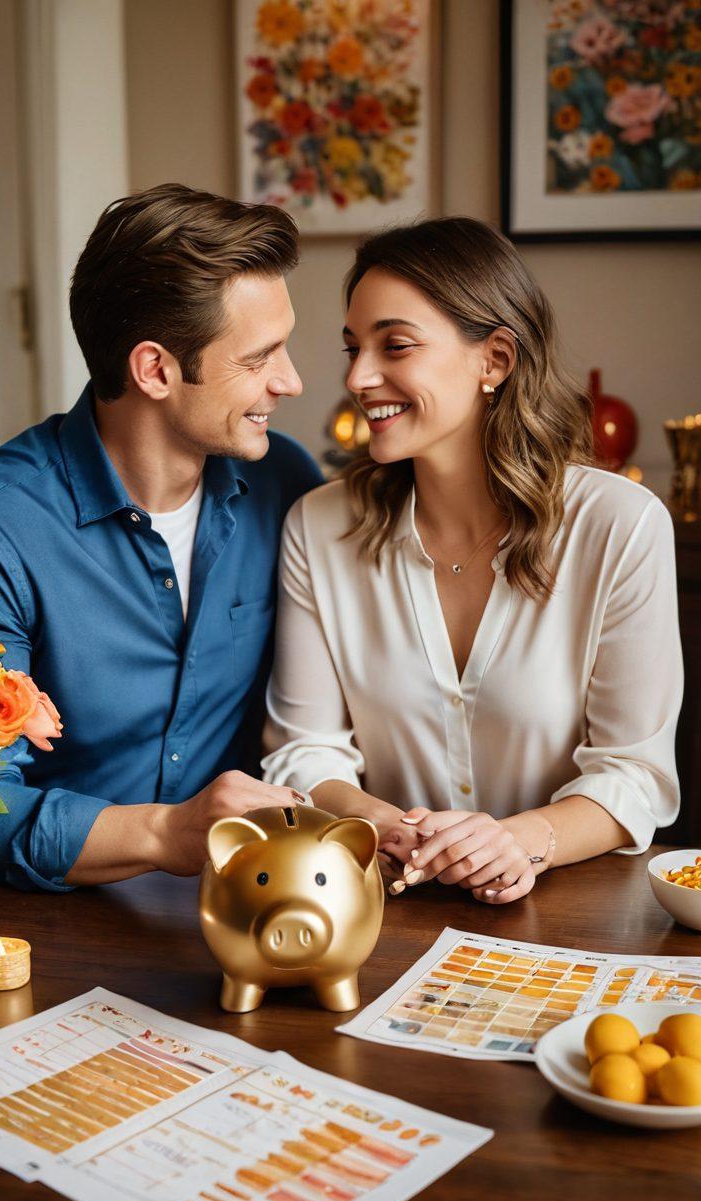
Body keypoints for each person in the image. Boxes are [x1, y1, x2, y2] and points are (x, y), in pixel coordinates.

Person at [0, 183, 322, 892]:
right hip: (53, 929)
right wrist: (166, 833)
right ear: (156, 369)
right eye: (259, 358)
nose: (292, 381)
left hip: (252, 905)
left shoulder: (286, 482)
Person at [263, 216, 682, 905]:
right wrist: (386, 825)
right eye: (352, 349)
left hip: (572, 911)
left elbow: (634, 772)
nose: (360, 378)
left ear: (495, 360)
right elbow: (304, 750)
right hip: (379, 904)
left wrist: (517, 841)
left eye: (394, 345)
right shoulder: (319, 527)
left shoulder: (621, 527)